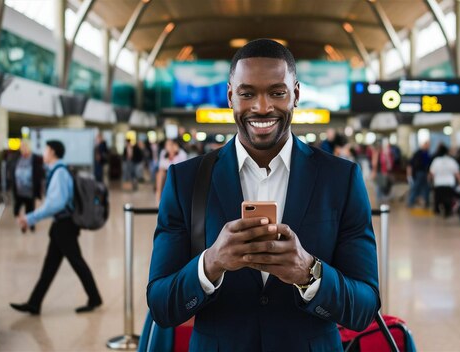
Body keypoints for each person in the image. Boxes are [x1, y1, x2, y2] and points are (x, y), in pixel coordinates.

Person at [146, 39, 379, 350]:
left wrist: (310, 274)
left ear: (296, 94)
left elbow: (364, 307)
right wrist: (211, 263)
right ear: (230, 96)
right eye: (247, 94)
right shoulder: (186, 180)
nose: (262, 107)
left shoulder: (340, 179)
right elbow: (161, 304)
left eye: (277, 92)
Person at [10, 140, 102, 315]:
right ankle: (34, 303)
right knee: (50, 266)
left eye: (45, 149)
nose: (43, 152)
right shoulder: (58, 170)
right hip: (61, 226)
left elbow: (55, 204)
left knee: (76, 262)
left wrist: (30, 218)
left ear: (52, 152)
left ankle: (95, 298)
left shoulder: (59, 173)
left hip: (64, 226)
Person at [11, 141, 44, 232]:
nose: (24, 148)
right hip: (19, 189)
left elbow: (39, 174)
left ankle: (29, 224)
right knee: (16, 210)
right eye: (22, 147)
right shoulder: (17, 157)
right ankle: (23, 223)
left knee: (30, 209)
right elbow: (13, 170)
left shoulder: (35, 158)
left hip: (30, 189)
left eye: (25, 147)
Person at [429, 143, 460, 218]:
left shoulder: (436, 161)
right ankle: (447, 211)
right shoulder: (452, 161)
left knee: (438, 200)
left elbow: (431, 173)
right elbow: (457, 174)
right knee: (448, 200)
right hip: (449, 184)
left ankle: (438, 211)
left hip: (438, 184)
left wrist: (429, 181)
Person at [154, 139, 187, 205]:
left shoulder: (181, 153)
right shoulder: (163, 152)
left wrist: (175, 154)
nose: (168, 146)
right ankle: (158, 195)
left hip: (178, 173)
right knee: (160, 173)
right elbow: (161, 165)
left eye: (170, 144)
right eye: (167, 145)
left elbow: (183, 166)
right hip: (167, 172)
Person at [407, 141, 432, 208]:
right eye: (427, 145)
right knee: (416, 188)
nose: (428, 146)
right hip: (419, 173)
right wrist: (409, 175)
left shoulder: (427, 153)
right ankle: (410, 202)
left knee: (426, 188)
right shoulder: (418, 153)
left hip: (425, 173)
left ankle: (426, 202)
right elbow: (411, 164)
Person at [370, 139, 394, 206]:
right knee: (379, 187)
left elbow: (387, 164)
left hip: (382, 172)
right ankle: (379, 202)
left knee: (382, 187)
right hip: (379, 173)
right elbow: (374, 164)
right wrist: (374, 172)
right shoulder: (377, 153)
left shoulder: (383, 153)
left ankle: (381, 202)